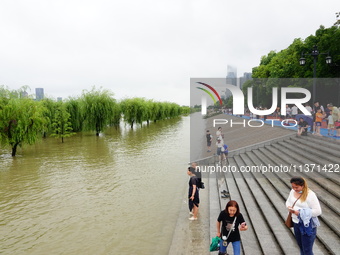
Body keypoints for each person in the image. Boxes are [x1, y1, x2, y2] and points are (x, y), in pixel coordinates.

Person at [286, 177, 321, 255]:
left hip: (307, 225)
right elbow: (288, 202)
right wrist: (289, 207)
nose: (294, 189)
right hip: (296, 222)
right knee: (301, 247)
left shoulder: (310, 195)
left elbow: (318, 211)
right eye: (293, 187)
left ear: (303, 186)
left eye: (297, 187)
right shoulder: (292, 191)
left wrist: (299, 213)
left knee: (307, 250)